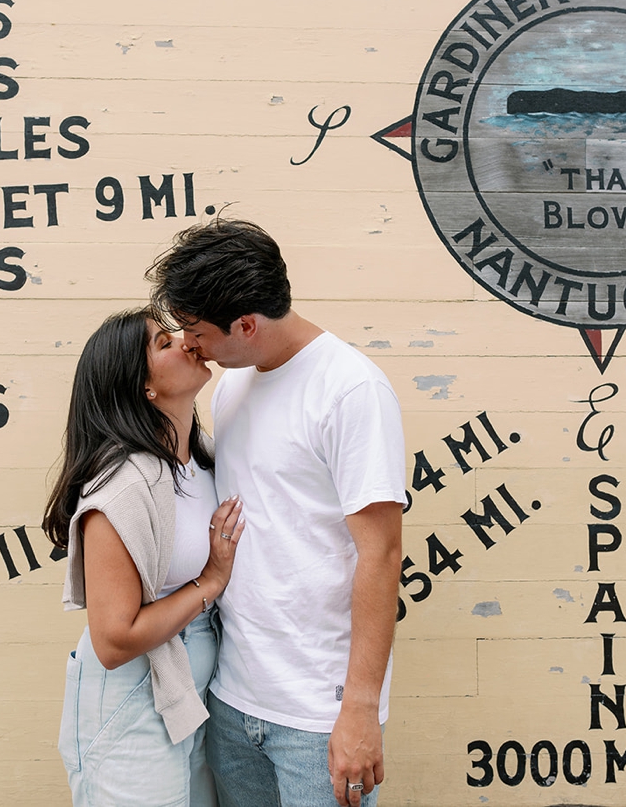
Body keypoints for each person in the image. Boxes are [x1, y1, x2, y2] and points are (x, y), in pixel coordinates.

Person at [147, 219, 405, 807]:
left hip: (319, 716)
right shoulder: (233, 384)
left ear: (245, 325)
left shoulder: (350, 390)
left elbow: (382, 552)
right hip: (234, 701)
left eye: (195, 332)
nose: (189, 345)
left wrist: (359, 710)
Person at [44, 307, 245, 807]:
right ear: (143, 388)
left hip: (189, 697)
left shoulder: (202, 457)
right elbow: (114, 640)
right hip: (132, 702)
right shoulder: (123, 487)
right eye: (162, 343)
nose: (185, 342)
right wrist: (209, 583)